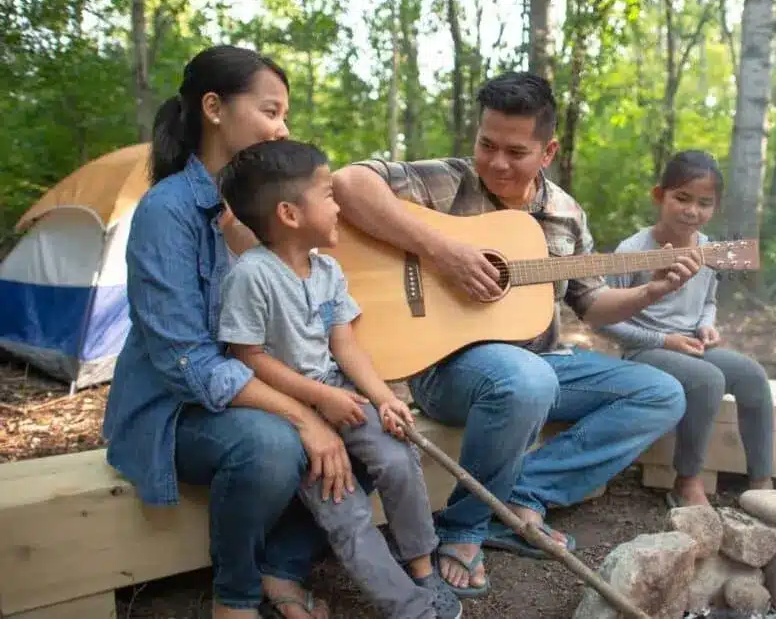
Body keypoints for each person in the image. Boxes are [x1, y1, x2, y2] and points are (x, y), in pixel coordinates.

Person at [331, 71, 699, 597]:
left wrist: (652, 292)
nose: (496, 162)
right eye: (487, 144)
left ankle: (521, 497)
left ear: (547, 151)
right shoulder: (448, 180)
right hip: (447, 367)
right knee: (526, 380)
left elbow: (591, 304)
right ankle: (462, 530)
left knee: (662, 393)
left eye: (515, 151)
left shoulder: (566, 215)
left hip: (541, 365)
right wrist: (442, 251)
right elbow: (347, 184)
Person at [102, 45, 343, 619]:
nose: (282, 129)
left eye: (284, 115)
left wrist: (333, 398)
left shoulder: (266, 210)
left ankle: (279, 568)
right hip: (172, 410)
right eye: (270, 111)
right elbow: (188, 363)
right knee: (272, 444)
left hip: (254, 388)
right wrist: (304, 414)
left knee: (364, 421)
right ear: (214, 108)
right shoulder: (168, 212)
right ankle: (233, 600)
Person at [216, 139, 463, 619]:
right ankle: (409, 609)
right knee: (345, 511)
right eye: (328, 194)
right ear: (289, 214)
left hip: (341, 392)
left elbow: (344, 344)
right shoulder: (252, 276)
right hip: (292, 411)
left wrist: (382, 399)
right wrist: (320, 399)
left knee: (397, 455)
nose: (337, 206)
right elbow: (247, 357)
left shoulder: (328, 270)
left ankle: (421, 569)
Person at [598, 150, 775, 508]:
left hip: (692, 345)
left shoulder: (708, 249)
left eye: (704, 203)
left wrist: (707, 326)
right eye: (682, 198)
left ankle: (762, 481)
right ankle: (687, 480)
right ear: (659, 195)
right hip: (645, 349)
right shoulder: (632, 250)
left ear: (715, 206)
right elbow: (606, 320)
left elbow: (708, 300)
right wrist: (665, 339)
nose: (692, 211)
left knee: (753, 376)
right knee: (708, 380)